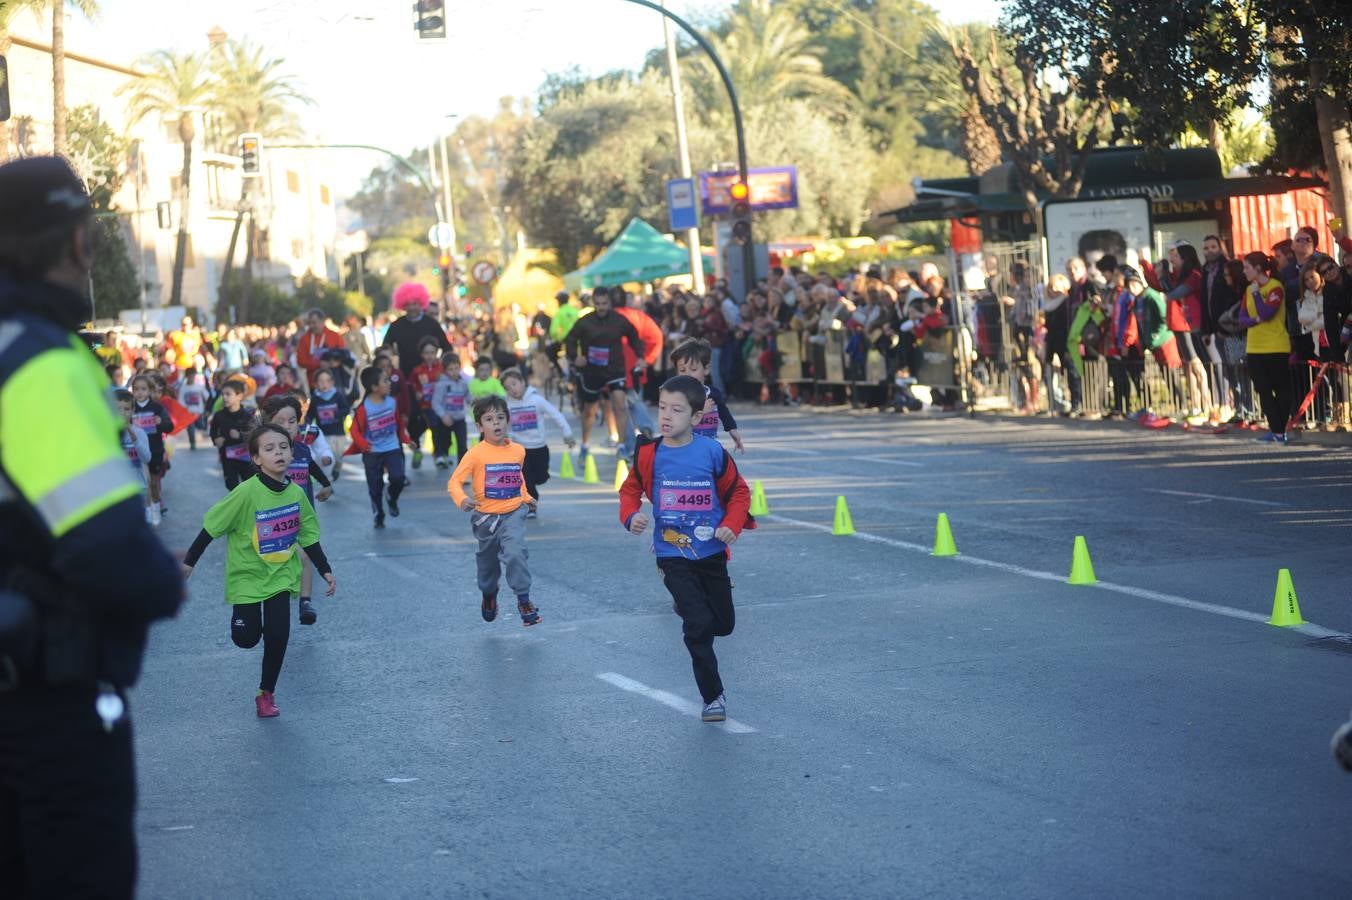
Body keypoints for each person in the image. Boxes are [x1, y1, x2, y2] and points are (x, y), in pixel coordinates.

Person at [0, 154, 183, 899]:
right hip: (44, 707)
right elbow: (114, 552)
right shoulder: (40, 362)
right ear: (77, 245)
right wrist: (163, 578)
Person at [618, 375, 752, 723]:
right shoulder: (650, 453)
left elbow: (739, 493)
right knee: (699, 624)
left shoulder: (711, 452)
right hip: (671, 553)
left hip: (710, 552)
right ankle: (713, 697)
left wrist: (731, 525)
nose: (666, 416)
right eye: (662, 407)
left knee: (723, 624)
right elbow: (629, 491)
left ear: (696, 417)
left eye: (677, 410)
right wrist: (631, 515)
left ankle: (691, 607)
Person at [181, 424, 336, 718]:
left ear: (292, 452)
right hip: (248, 577)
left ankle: (266, 693)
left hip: (280, 575)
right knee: (247, 638)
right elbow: (211, 528)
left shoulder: (296, 494)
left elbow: (308, 536)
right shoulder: (245, 493)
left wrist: (325, 569)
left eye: (283, 447)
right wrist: (190, 561)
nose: (278, 452)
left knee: (278, 635)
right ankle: (246, 623)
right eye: (269, 449)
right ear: (256, 459)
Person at [448, 395, 541, 626]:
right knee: (488, 565)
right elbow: (454, 483)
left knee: (516, 553)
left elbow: (516, 477)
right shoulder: (475, 454)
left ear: (508, 420)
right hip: (485, 519)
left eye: (500, 417)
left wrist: (526, 497)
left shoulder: (518, 451)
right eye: (489, 419)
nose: (496, 423)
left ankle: (524, 599)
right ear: (480, 426)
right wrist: (462, 500)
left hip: (513, 513)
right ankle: (489, 594)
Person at [565, 286, 646, 461]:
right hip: (592, 370)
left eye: (605, 303)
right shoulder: (585, 322)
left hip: (614, 368)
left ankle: (622, 446)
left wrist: (640, 356)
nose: (601, 307)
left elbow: (634, 336)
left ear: (610, 303)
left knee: (619, 404)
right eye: (598, 304)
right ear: (593, 303)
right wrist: (575, 357)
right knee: (590, 410)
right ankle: (585, 445)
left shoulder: (619, 320)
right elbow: (570, 339)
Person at [501, 366, 574, 516]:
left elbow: (556, 415)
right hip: (520, 448)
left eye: (514, 384)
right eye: (508, 388)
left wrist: (567, 433)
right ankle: (531, 505)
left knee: (540, 477)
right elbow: (503, 425)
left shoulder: (536, 400)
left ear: (522, 382)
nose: (512, 389)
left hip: (539, 446)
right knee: (526, 477)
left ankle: (532, 488)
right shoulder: (507, 405)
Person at [346, 365, 411, 528]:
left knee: (398, 478)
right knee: (375, 487)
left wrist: (405, 438)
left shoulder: (392, 402)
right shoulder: (364, 408)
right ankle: (378, 513)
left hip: (392, 448)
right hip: (372, 452)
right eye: (385, 381)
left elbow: (398, 423)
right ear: (374, 387)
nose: (389, 383)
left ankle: (392, 498)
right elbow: (353, 430)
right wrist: (363, 444)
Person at [1238, 251, 1292, 443]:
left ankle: (1280, 430)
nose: (1244, 271)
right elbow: (1242, 319)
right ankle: (1276, 430)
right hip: (1255, 347)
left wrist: (1256, 295)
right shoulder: (1247, 290)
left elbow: (1268, 313)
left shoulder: (1275, 287)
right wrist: (1255, 320)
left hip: (1276, 346)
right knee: (1263, 389)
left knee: (1280, 388)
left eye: (1247, 267)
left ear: (1258, 268)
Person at [671, 338, 744, 451]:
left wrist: (732, 429)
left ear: (706, 369)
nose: (688, 374)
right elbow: (677, 423)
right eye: (682, 370)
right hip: (686, 448)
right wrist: (701, 412)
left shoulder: (713, 393)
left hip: (709, 445)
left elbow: (724, 412)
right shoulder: (678, 397)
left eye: (693, 369)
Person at [129, 372, 172, 524]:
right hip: (137, 453)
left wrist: (160, 423)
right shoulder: (130, 408)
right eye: (136, 389)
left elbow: (169, 426)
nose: (140, 393)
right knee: (143, 482)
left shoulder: (157, 408)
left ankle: (155, 510)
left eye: (143, 389)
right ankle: (146, 511)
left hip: (155, 449)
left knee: (153, 482)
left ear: (150, 390)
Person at [382, 282, 450, 377]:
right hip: (405, 375)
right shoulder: (396, 325)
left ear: (421, 303)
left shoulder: (432, 324)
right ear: (402, 305)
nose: (411, 308)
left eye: (415, 304)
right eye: (408, 304)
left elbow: (447, 348)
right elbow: (385, 347)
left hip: (430, 377)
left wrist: (438, 364)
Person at [210, 379, 258, 491]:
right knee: (231, 485)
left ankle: (248, 506)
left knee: (248, 486)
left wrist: (240, 436)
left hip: (245, 459)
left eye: (228, 394)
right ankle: (238, 507)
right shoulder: (219, 416)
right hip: (227, 458)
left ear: (239, 396)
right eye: (223, 394)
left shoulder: (247, 416)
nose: (224, 397)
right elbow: (213, 431)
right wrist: (216, 440)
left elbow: (254, 437)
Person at [306, 368, 351, 478]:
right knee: (329, 455)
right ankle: (329, 474)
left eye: (327, 381)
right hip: (324, 433)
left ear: (332, 382)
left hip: (338, 433)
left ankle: (337, 468)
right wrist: (306, 425)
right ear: (316, 384)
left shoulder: (337, 396)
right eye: (321, 381)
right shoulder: (315, 399)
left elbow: (346, 409)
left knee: (339, 456)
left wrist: (336, 414)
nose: (324, 384)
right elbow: (310, 415)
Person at [408, 337, 444, 469]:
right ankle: (417, 450)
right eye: (426, 353)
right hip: (424, 406)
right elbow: (412, 385)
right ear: (422, 354)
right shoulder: (417, 370)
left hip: (440, 406)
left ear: (436, 352)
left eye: (432, 352)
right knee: (416, 430)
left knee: (437, 427)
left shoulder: (442, 367)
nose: (429, 356)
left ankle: (440, 454)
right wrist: (417, 392)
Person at [432, 352, 471, 469]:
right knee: (445, 443)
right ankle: (442, 456)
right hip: (446, 420)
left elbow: (468, 397)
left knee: (462, 445)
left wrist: (474, 402)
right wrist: (443, 415)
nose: (454, 372)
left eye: (456, 368)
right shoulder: (441, 384)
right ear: (445, 370)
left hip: (460, 419)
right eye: (450, 369)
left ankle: (463, 471)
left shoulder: (464, 383)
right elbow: (436, 402)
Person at [296, 308, 346, 388]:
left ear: (322, 321)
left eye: (314, 323)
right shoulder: (304, 339)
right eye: (310, 323)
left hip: (334, 382)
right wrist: (319, 364)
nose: (311, 326)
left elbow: (345, 355)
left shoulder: (335, 336)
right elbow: (300, 361)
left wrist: (336, 362)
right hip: (314, 383)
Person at [176, 365, 209, 450]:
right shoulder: (183, 388)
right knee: (190, 428)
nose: (191, 378)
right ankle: (192, 443)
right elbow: (181, 400)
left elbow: (206, 396)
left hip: (198, 412)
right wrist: (186, 409)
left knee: (201, 426)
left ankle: (207, 434)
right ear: (186, 376)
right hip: (188, 413)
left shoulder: (199, 387)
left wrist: (205, 408)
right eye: (189, 376)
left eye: (193, 375)